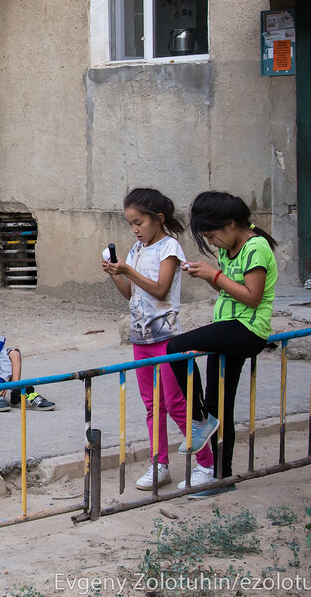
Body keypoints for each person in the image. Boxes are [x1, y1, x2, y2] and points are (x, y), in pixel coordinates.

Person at [102, 188, 215, 491]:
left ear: (158, 219)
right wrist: (115, 273)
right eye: (130, 224)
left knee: (177, 403)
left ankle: (206, 464)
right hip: (140, 340)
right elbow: (130, 293)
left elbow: (161, 289)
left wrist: (127, 269)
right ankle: (159, 464)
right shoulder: (135, 251)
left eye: (139, 222)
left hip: (167, 340)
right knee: (153, 406)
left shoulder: (170, 248)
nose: (134, 229)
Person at [167, 191, 277, 493]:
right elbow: (232, 289)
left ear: (230, 224)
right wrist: (208, 275)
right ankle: (222, 477)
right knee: (220, 408)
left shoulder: (256, 247)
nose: (212, 242)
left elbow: (252, 298)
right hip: (229, 329)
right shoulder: (235, 247)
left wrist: (214, 276)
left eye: (212, 236)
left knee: (174, 348)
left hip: (246, 330)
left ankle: (198, 419)